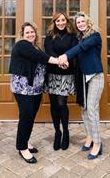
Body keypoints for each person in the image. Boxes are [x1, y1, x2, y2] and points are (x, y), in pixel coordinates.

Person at [9, 22, 59, 164]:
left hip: (35, 89)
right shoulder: (22, 45)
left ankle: (25, 141)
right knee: (26, 117)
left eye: (32, 32)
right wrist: (58, 60)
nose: (30, 34)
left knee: (30, 117)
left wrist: (60, 63)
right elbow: (43, 58)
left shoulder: (34, 46)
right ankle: (22, 148)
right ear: (22, 34)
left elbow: (43, 58)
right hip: (23, 89)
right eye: (27, 32)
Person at [58, 11, 104, 160]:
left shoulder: (94, 36)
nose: (80, 24)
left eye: (82, 21)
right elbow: (77, 55)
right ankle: (90, 136)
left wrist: (65, 56)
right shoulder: (79, 38)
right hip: (82, 77)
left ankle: (97, 143)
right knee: (83, 108)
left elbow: (81, 49)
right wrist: (66, 63)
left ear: (88, 22)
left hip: (95, 75)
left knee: (92, 109)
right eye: (78, 22)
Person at [44, 12, 78, 150]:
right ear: (54, 22)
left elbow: (74, 50)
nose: (61, 23)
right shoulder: (49, 35)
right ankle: (57, 132)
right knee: (53, 104)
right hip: (52, 73)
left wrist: (66, 61)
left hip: (67, 73)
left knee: (62, 103)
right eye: (58, 21)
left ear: (67, 21)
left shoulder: (72, 36)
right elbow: (49, 50)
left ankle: (66, 132)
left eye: (63, 20)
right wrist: (59, 61)